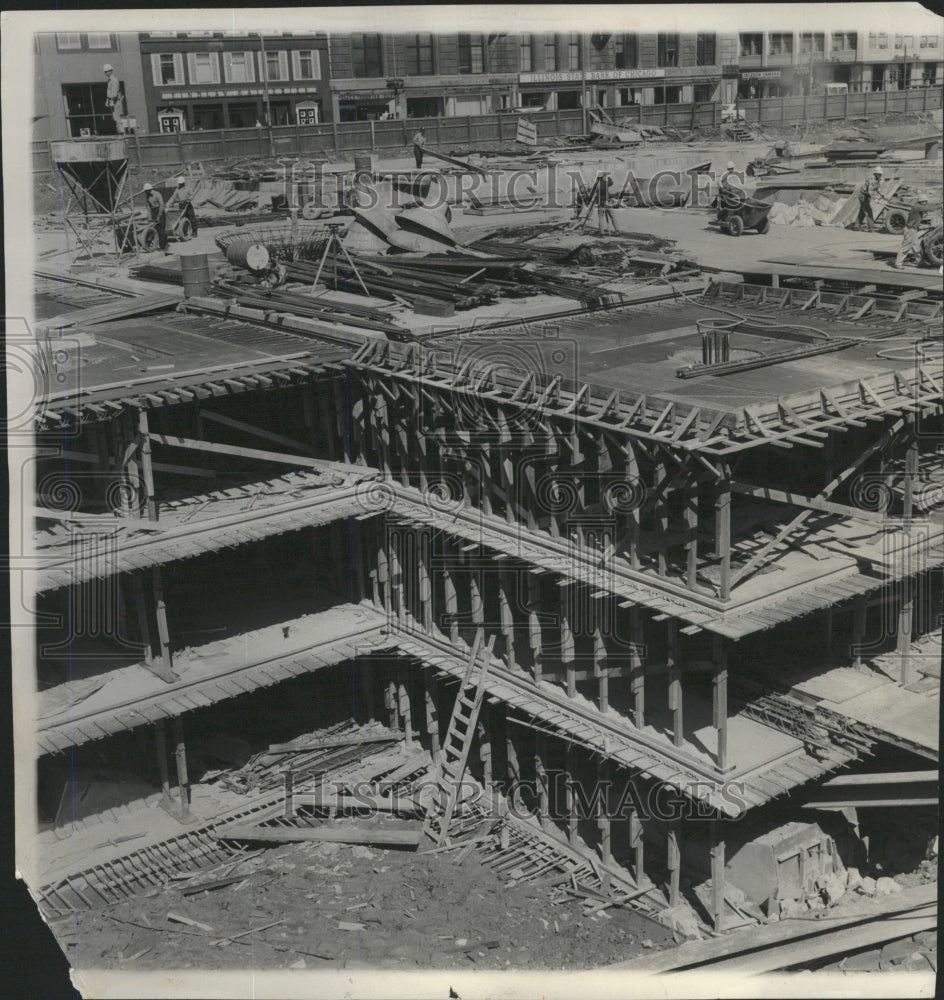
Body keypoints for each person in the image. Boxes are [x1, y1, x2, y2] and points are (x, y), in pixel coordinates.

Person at [891, 199, 927, 269]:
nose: (925, 203)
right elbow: (928, 209)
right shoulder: (917, 207)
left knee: (916, 246)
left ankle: (920, 262)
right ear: (921, 202)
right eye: (924, 202)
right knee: (906, 247)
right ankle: (898, 263)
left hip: (913, 230)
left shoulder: (918, 208)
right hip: (910, 230)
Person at [855, 166, 884, 232]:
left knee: (863, 211)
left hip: (867, 195)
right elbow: (870, 191)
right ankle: (871, 227)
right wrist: (875, 199)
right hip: (863, 195)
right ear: (875, 174)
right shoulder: (872, 180)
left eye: (881, 174)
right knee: (868, 211)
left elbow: (878, 189)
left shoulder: (878, 180)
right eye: (879, 174)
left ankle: (856, 226)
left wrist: (882, 195)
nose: (880, 175)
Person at [143, 182, 168, 253]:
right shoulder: (148, 196)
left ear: (149, 190)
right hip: (153, 211)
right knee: (154, 228)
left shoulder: (157, 194)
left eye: (145, 191)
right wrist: (149, 217)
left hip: (159, 211)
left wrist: (159, 216)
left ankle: (163, 246)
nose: (145, 192)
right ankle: (154, 244)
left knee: (161, 229)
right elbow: (148, 207)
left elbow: (161, 205)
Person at [103, 64, 123, 134]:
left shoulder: (114, 80)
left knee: (117, 118)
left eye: (106, 71)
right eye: (105, 72)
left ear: (110, 71)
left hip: (115, 102)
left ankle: (121, 133)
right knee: (115, 118)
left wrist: (109, 100)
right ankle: (119, 132)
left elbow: (114, 94)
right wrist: (108, 100)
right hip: (112, 101)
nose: (105, 73)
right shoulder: (110, 80)